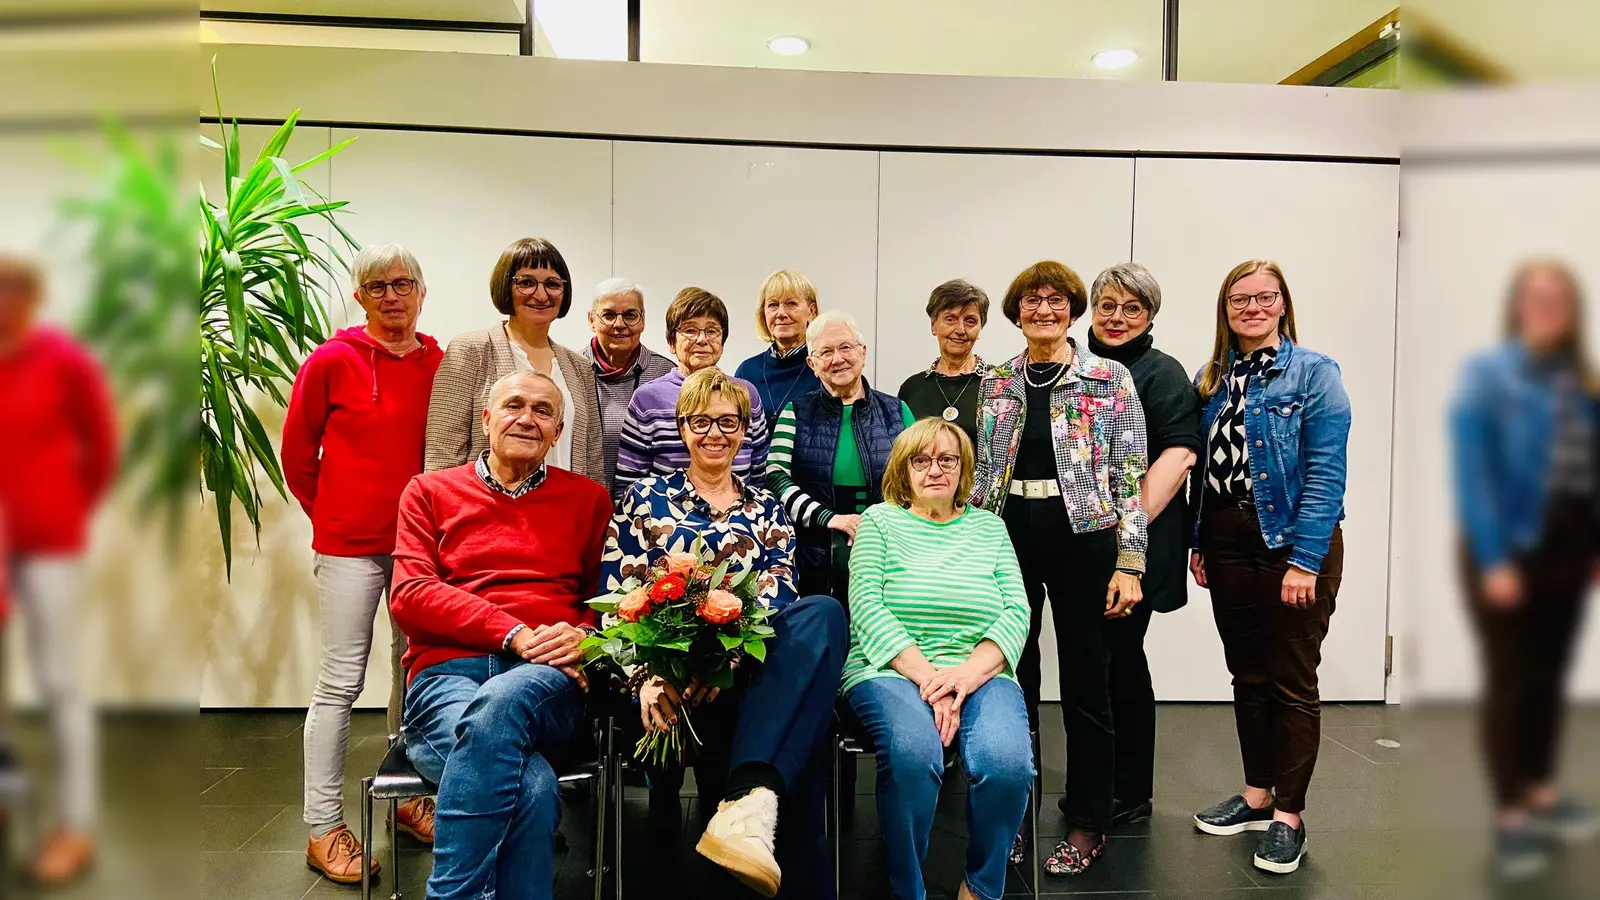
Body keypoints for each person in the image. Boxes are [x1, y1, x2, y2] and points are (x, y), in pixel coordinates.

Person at [605, 368, 847, 899]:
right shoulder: (644, 499)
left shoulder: (767, 507)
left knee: (823, 611)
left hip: (743, 674)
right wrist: (646, 677)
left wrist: (730, 659)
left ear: (745, 432)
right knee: (799, 740)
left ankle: (746, 802)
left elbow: (780, 596)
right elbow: (616, 601)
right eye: (700, 422)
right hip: (669, 684)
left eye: (728, 422)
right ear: (682, 427)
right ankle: (751, 805)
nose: (714, 433)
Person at [391, 370, 613, 900]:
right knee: (532, 788)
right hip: (448, 674)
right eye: (514, 405)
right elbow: (410, 594)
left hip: (546, 677)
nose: (527, 418)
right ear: (486, 418)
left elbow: (603, 604)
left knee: (501, 702)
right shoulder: (428, 492)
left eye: (543, 411)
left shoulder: (588, 500)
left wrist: (582, 635)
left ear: (557, 432)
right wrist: (511, 631)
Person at [970, 260, 1148, 877]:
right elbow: (982, 474)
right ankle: (1013, 817)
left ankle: (1087, 820)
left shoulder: (1110, 377)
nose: (1043, 310)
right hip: (1008, 534)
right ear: (1017, 312)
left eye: (1056, 300)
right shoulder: (996, 381)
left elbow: (1130, 475)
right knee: (1011, 681)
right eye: (1031, 301)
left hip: (1085, 540)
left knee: (1086, 683)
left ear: (1072, 309)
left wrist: (1130, 562)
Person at [280, 243, 444, 881]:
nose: (392, 295)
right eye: (377, 286)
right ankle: (322, 827)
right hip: (349, 546)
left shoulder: (440, 361)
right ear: (360, 296)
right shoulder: (330, 361)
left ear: (422, 292)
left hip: (421, 545)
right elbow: (298, 454)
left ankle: (408, 798)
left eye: (404, 283)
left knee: (415, 675)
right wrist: (332, 516)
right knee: (342, 681)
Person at [1187, 260, 1349, 877]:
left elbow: (1326, 473)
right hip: (1228, 537)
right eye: (1239, 298)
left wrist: (1306, 560)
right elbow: (1210, 469)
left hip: (1290, 539)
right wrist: (1203, 540)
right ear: (1226, 308)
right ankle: (1257, 797)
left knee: (1290, 679)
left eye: (1263, 297)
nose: (1251, 307)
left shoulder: (1314, 373)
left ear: (1282, 304)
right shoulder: (1216, 377)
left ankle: (1290, 816)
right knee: (1247, 673)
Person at [1451, 260, 1600, 877]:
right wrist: (1492, 560)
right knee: (1510, 680)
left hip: (1570, 548)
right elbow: (1472, 474)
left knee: (1549, 674)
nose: (1547, 308)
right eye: (1536, 298)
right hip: (1507, 546)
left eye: (1558, 299)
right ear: (1517, 306)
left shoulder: (1582, 378)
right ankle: (1510, 815)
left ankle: (1539, 790)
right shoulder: (1488, 375)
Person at [845, 419, 1034, 900]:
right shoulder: (880, 522)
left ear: (963, 468)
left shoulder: (990, 527)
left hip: (979, 669)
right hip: (888, 667)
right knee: (914, 754)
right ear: (902, 470)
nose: (934, 469)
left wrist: (967, 676)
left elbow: (1017, 609)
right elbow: (866, 605)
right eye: (921, 459)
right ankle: (908, 887)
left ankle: (982, 886)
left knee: (1007, 762)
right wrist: (932, 680)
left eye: (947, 459)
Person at [0, 255, 117, 885]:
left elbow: (100, 446)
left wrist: (65, 507)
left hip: (49, 543)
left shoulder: (63, 360)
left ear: (35, 295)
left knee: (60, 681)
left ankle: (75, 826)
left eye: (18, 288)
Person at [1085, 263, 1201, 825]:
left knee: (1121, 662)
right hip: (1086, 544)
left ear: (1151, 315)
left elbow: (1178, 456)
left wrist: (1119, 527)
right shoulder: (1077, 366)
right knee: (1096, 665)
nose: (1117, 318)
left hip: (1139, 543)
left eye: (1132, 308)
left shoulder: (1161, 373)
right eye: (1107, 305)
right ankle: (1100, 779)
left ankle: (1129, 789)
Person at [424, 236, 605, 484]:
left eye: (552, 284)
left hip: (566, 514)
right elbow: (442, 455)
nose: (541, 295)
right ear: (505, 287)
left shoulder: (579, 366)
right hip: (487, 515)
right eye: (527, 283)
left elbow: (592, 462)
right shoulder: (470, 351)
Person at [767, 311, 914, 601]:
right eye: (826, 352)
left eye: (846, 347)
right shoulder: (794, 413)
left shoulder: (898, 412)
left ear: (863, 352)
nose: (838, 358)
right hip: (813, 557)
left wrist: (877, 526)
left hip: (888, 552)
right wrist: (829, 518)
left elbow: (915, 480)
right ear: (812, 363)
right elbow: (776, 478)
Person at [613, 287, 769, 499]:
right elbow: (628, 486)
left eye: (712, 330)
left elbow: (759, 476)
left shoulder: (747, 394)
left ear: (722, 342)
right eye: (690, 330)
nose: (702, 340)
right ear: (671, 342)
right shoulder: (647, 400)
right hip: (666, 523)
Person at [581, 277, 677, 495]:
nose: (619, 324)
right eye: (608, 315)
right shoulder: (572, 370)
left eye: (630, 315)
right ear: (591, 320)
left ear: (643, 320)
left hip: (650, 510)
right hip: (583, 506)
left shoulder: (665, 372)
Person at [898, 279, 990, 448]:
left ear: (980, 329)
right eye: (950, 319)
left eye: (970, 321)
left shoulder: (999, 385)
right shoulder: (911, 389)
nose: (960, 330)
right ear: (934, 325)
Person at [735, 269, 822, 426]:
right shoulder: (746, 372)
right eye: (773, 305)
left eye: (791, 304)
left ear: (812, 311)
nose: (781, 313)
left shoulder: (823, 368)